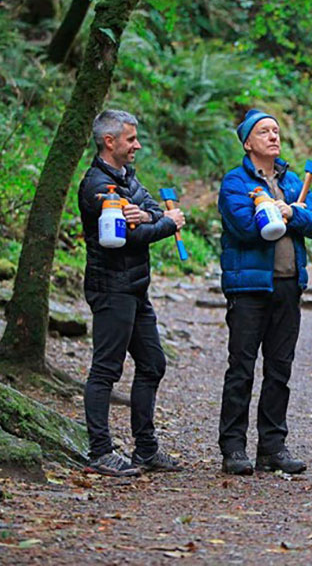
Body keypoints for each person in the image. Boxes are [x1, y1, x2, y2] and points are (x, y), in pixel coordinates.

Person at [217, 109, 312, 476]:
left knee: (279, 369)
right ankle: (233, 447)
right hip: (249, 288)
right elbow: (246, 228)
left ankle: (272, 446)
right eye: (264, 132)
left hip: (287, 286)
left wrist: (292, 213)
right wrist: (272, 211)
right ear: (248, 142)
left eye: (277, 131)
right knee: (242, 368)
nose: (273, 137)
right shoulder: (235, 183)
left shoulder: (295, 181)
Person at [78, 109, 186, 476]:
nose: (137, 144)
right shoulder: (96, 185)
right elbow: (127, 236)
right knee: (106, 370)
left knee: (153, 363)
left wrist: (151, 217)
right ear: (110, 142)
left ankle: (146, 449)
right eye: (131, 139)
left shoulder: (127, 178)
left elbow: (151, 211)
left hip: (136, 288)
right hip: (111, 288)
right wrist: (166, 224)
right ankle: (100, 451)